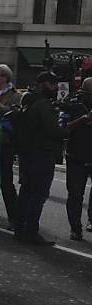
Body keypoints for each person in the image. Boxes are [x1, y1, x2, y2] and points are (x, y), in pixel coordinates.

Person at [14, 71, 67, 245]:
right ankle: (31, 231)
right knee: (38, 194)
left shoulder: (29, 101)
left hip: (28, 153)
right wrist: (71, 127)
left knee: (26, 192)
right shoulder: (43, 104)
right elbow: (53, 130)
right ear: (43, 84)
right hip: (41, 154)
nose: (56, 87)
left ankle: (19, 229)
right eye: (52, 84)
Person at [0, 64, 23, 227]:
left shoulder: (16, 96)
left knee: (5, 181)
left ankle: (14, 217)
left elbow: (15, 115)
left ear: (4, 77)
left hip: (5, 142)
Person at [61, 77, 92, 241]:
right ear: (85, 92)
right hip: (76, 156)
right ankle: (75, 228)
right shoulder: (73, 105)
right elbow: (63, 128)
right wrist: (84, 119)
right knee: (75, 194)